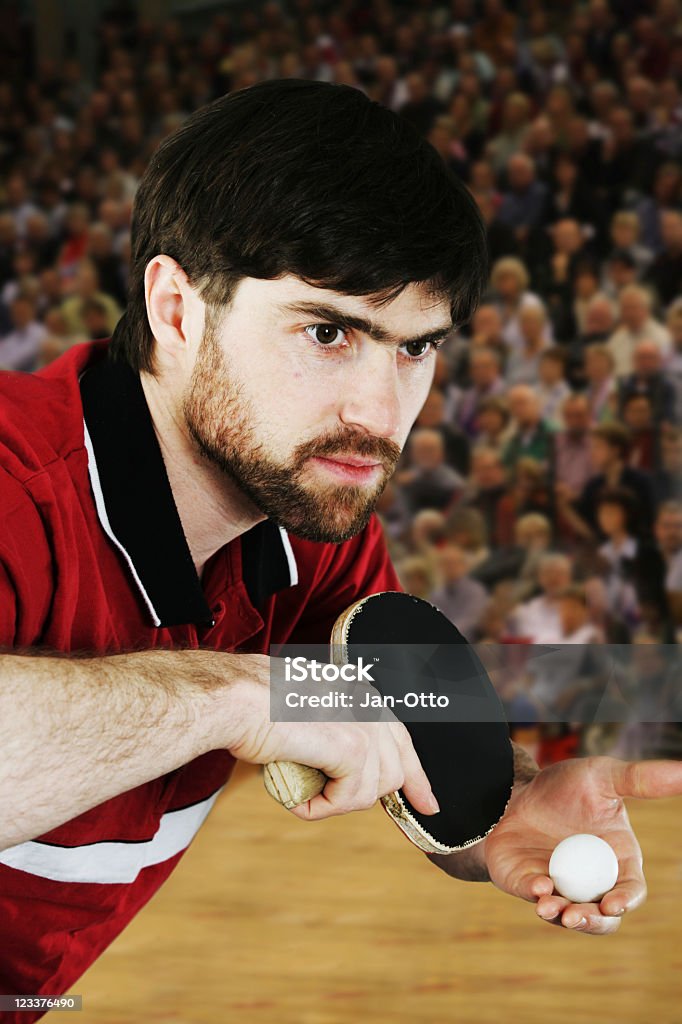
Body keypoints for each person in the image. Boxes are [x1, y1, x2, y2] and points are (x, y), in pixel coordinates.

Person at [1, 81, 681, 1018]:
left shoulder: (311, 522)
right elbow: (256, 697)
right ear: (176, 307)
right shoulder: (15, 483)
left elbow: (387, 710)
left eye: (414, 350)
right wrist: (230, 696)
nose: (378, 413)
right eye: (328, 332)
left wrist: (506, 805)